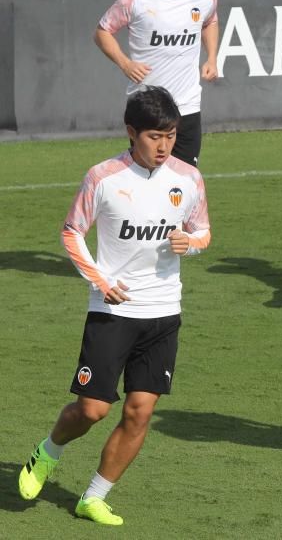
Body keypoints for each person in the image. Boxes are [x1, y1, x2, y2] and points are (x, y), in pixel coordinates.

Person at [17, 86, 211, 525]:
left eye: (171, 135)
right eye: (154, 136)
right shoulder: (103, 177)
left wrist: (190, 243)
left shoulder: (188, 178)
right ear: (131, 132)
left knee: (140, 411)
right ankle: (47, 453)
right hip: (113, 310)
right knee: (93, 409)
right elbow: (71, 231)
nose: (164, 146)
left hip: (164, 312)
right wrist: (99, 281)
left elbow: (203, 232)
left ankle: (94, 496)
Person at [95, 0, 219, 167]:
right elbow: (102, 32)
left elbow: (210, 20)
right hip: (148, 106)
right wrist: (125, 63)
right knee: (149, 180)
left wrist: (211, 57)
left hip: (187, 106)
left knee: (184, 181)